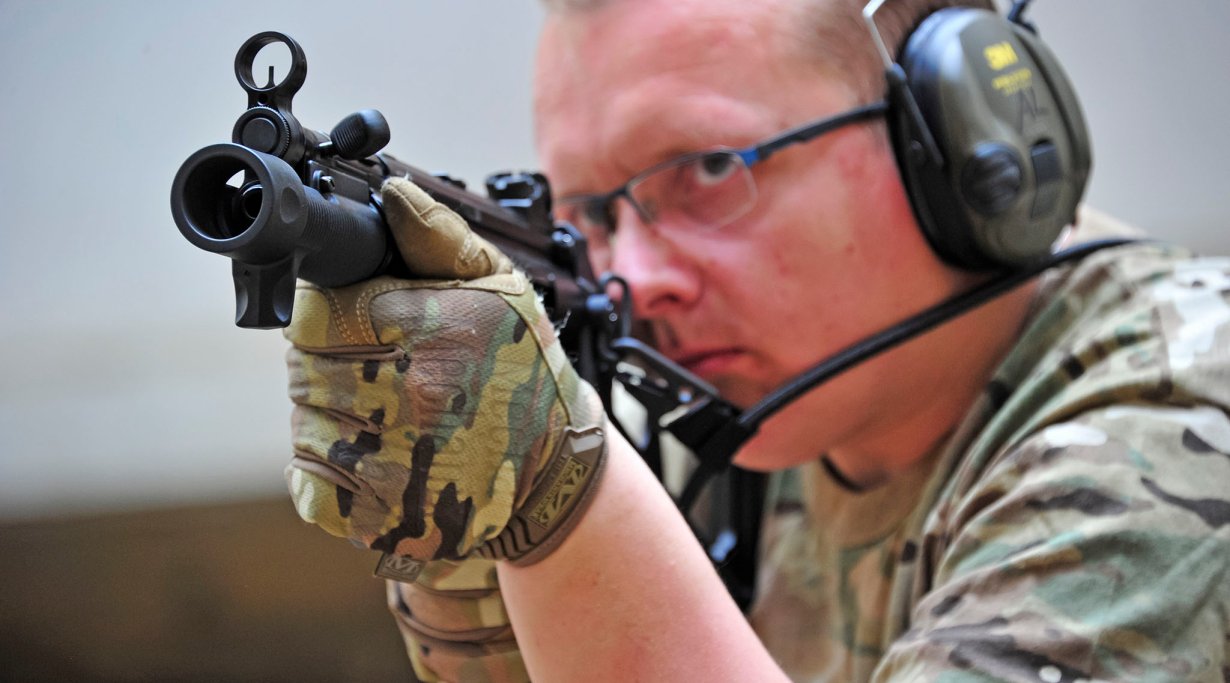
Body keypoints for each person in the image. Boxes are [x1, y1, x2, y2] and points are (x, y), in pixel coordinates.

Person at [282, 0, 1230, 680]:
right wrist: (471, 538)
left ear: (950, 137)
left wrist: (562, 504)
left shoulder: (1181, 412)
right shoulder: (784, 412)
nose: (635, 276)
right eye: (593, 215)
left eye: (706, 167)